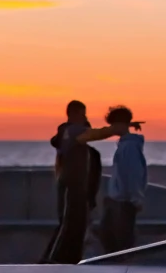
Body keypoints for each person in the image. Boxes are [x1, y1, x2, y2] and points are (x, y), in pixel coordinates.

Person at [41, 109, 129, 264]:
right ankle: (57, 260)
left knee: (70, 227)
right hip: (76, 191)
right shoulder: (75, 137)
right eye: (83, 114)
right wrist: (118, 128)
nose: (85, 117)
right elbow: (96, 134)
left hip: (74, 190)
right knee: (71, 227)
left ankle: (58, 259)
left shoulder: (69, 142)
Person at [98, 106, 147, 254]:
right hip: (118, 200)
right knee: (110, 237)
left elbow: (132, 174)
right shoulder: (126, 144)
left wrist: (135, 199)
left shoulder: (129, 147)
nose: (111, 128)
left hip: (123, 202)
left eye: (113, 124)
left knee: (121, 243)